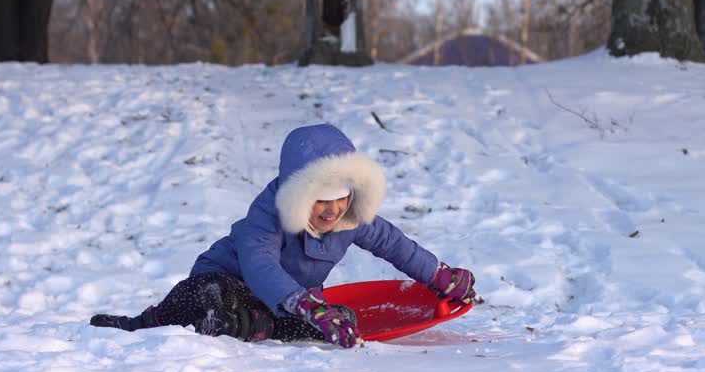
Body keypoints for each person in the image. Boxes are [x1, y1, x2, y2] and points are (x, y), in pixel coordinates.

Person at [89, 123, 476, 347]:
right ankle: (149, 322)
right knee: (204, 293)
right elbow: (259, 264)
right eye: (321, 201)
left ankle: (250, 326)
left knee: (342, 319)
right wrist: (302, 302)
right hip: (233, 284)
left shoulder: (350, 217)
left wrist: (439, 276)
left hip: (288, 304)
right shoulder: (268, 212)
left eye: (341, 198)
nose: (332, 210)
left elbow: (395, 245)